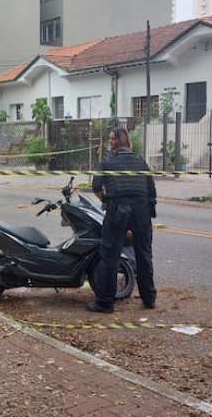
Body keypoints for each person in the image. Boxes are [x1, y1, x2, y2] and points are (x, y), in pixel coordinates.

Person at [88, 127, 157, 313]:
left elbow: (96, 187)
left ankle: (104, 303)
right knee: (144, 255)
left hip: (118, 210)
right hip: (141, 212)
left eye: (111, 140)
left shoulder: (107, 162)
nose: (110, 143)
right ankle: (149, 299)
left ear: (118, 142)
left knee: (110, 257)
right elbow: (151, 191)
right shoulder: (140, 161)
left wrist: (107, 201)